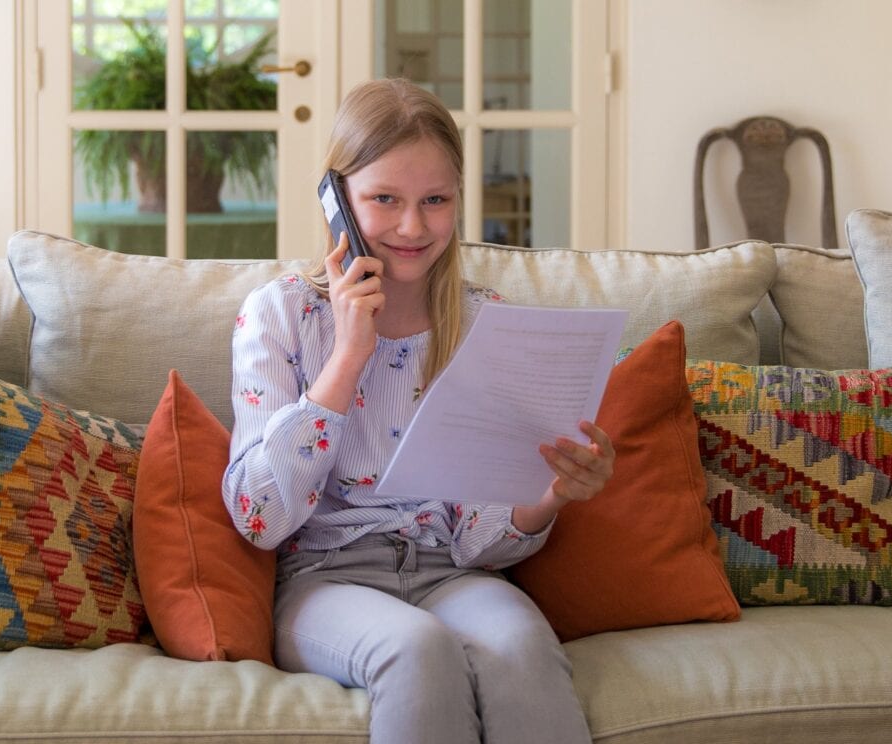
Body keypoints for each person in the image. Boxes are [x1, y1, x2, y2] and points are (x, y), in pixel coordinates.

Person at [223, 78, 614, 744]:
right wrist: (348, 357)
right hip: (324, 581)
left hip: (448, 569)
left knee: (522, 647)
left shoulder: (483, 319)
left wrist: (545, 495)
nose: (413, 226)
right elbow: (259, 516)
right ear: (337, 200)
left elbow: (478, 535)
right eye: (384, 200)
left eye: (436, 200)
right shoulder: (279, 316)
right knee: (418, 649)